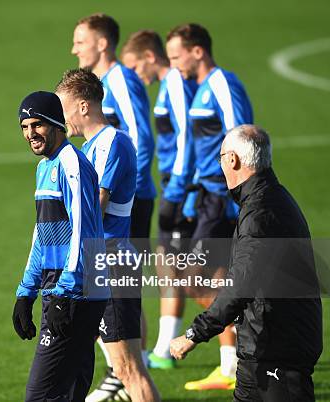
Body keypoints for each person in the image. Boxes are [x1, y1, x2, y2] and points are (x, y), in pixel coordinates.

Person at [170, 124, 323, 402]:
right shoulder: (270, 199)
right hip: (263, 351)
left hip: (276, 354)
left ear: (233, 160)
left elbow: (240, 285)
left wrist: (193, 334)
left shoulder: (260, 212)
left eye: (221, 158)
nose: (221, 165)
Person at [56, 69, 160, 402]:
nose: (62, 119)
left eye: (65, 109)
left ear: (84, 107)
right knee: (76, 359)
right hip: (95, 265)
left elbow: (94, 208)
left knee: (129, 370)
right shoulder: (89, 148)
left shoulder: (114, 143)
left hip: (112, 264)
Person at [165, 23, 254, 390]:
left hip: (221, 198)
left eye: (176, 56)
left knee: (193, 277)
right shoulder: (200, 88)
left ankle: (241, 350)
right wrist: (182, 194)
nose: (173, 64)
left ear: (197, 51)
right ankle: (230, 366)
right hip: (204, 197)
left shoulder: (220, 83)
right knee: (213, 278)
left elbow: (241, 135)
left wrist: (239, 197)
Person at [71, 14, 155, 397]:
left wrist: (122, 193)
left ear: (102, 44)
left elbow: (138, 138)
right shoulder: (99, 94)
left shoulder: (121, 80)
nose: (74, 49)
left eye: (80, 41)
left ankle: (125, 371)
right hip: (116, 205)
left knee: (122, 291)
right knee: (119, 297)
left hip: (128, 201)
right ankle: (122, 368)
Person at [12, 91, 107, 402]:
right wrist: (26, 292)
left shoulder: (71, 164)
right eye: (25, 127)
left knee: (41, 396)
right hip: (61, 288)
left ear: (55, 124)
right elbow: (43, 235)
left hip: (76, 290)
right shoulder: (44, 167)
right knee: (67, 394)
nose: (30, 134)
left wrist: (64, 292)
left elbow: (84, 232)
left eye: (37, 125)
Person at [120, 30, 197, 371]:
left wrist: (178, 190)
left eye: (135, 66)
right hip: (173, 185)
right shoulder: (168, 87)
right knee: (170, 265)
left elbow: (186, 139)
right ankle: (166, 349)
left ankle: (233, 361)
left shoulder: (176, 83)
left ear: (150, 57)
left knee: (203, 275)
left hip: (184, 188)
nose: (135, 75)